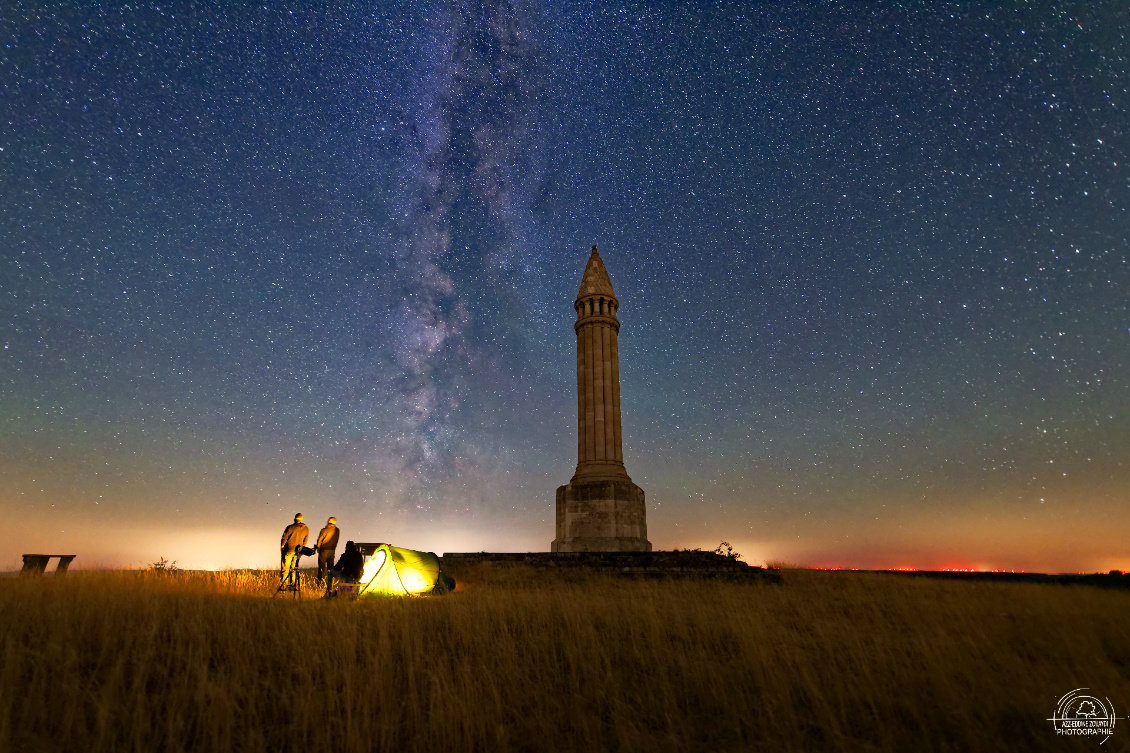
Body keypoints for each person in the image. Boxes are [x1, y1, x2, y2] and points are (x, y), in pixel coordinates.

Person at [279, 513, 309, 584]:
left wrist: (282, 546)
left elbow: (284, 538)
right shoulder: (306, 528)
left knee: (285, 569)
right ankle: (293, 584)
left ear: (294, 518)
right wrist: (302, 548)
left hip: (289, 550)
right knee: (294, 569)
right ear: (301, 519)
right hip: (298, 552)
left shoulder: (290, 527)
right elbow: (305, 540)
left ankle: (284, 585)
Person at [315, 516, 340, 585]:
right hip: (332, 551)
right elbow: (336, 540)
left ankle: (320, 584)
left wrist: (318, 548)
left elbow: (319, 540)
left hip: (324, 550)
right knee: (330, 569)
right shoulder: (337, 530)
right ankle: (330, 584)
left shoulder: (324, 530)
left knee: (321, 568)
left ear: (328, 521)